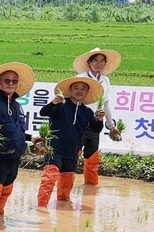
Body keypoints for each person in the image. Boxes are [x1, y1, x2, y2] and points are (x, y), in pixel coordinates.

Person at [36, 76, 105, 207]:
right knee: (49, 177)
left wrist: (100, 119)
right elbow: (44, 112)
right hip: (55, 148)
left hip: (73, 151)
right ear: (70, 90)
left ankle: (63, 207)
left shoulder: (87, 112)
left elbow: (96, 129)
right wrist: (53, 103)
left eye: (83, 89)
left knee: (67, 183)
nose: (79, 91)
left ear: (87, 93)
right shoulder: (61, 105)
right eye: (76, 88)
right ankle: (41, 208)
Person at [0, 63, 35, 222]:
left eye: (14, 81)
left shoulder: (18, 106)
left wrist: (33, 139)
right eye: (7, 80)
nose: (10, 83)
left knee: (5, 193)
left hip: (14, 159)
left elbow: (18, 132)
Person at [73, 47, 122, 185]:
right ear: (89, 63)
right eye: (95, 60)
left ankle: (91, 186)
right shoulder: (80, 78)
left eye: (102, 61)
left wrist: (112, 126)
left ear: (105, 63)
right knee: (73, 155)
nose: (99, 63)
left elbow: (105, 104)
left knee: (92, 155)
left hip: (96, 123)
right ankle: (64, 190)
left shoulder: (105, 81)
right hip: (79, 123)